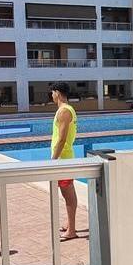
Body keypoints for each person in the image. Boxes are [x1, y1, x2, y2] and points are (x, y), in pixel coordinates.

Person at [49, 82, 79, 241]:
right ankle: (70, 225)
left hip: (63, 159)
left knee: (68, 195)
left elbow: (61, 140)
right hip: (65, 157)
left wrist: (53, 160)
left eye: (52, 92)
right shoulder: (67, 110)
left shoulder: (64, 111)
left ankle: (72, 230)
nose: (52, 95)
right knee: (68, 193)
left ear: (58, 93)